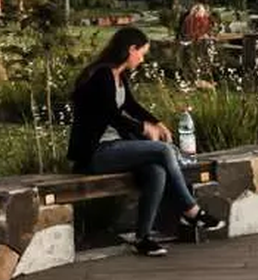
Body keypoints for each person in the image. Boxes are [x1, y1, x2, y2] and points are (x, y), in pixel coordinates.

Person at [67, 27, 225, 257]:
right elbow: (110, 114)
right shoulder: (101, 75)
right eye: (142, 53)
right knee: (162, 151)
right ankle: (191, 211)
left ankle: (143, 238)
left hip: (114, 148)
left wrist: (157, 123)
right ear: (131, 49)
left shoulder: (119, 76)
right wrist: (143, 128)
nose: (142, 58)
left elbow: (131, 106)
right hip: (95, 153)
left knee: (156, 172)